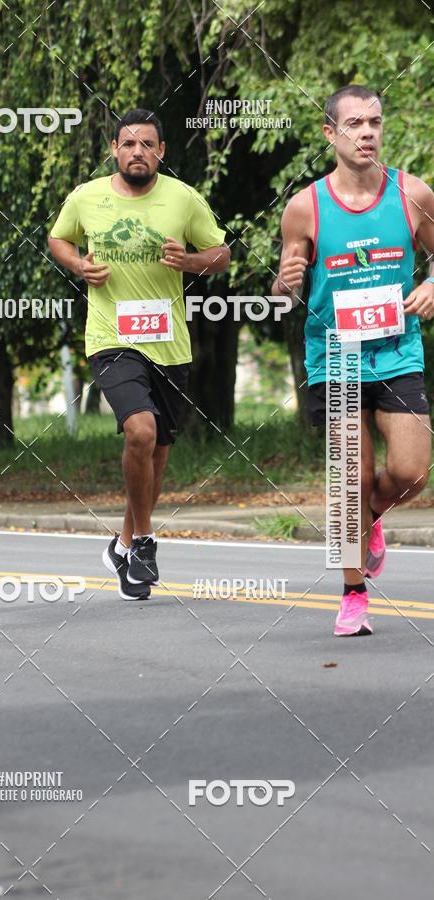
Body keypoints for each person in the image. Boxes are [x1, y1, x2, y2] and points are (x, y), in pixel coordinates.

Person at [48, 109, 230, 599]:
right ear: (114, 149)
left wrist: (189, 261)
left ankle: (124, 545)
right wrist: (78, 265)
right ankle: (146, 542)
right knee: (141, 431)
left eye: (147, 144)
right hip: (112, 338)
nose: (137, 152)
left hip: (169, 343)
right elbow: (58, 238)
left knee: (158, 450)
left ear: (161, 151)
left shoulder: (183, 198)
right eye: (128, 144)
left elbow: (221, 254)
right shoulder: (87, 197)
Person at [273, 85, 434, 636]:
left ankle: (370, 519)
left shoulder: (413, 193)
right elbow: (283, 292)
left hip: (397, 352)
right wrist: (284, 282)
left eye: (375, 123)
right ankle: (353, 594)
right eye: (354, 124)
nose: (367, 133)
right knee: (351, 479)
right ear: (330, 133)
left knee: (412, 473)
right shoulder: (305, 207)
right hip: (336, 356)